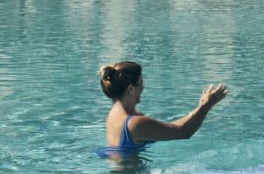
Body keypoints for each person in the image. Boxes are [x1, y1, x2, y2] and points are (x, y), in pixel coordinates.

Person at [96, 61, 228, 163]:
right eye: (141, 83)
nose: (143, 87)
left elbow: (171, 127)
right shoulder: (135, 123)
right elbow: (184, 132)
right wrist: (207, 105)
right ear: (131, 89)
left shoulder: (115, 115)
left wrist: (200, 107)